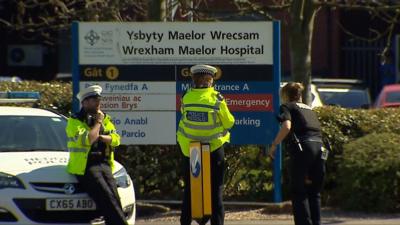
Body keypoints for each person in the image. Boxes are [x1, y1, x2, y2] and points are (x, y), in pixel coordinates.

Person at [177, 64, 235, 225]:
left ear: (194, 79)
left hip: (190, 150)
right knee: (216, 189)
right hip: (213, 149)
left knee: (189, 189)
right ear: (210, 80)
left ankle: (185, 222)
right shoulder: (216, 98)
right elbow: (229, 122)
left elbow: (184, 114)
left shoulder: (186, 96)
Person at [66, 85, 127, 225]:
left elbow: (116, 139)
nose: (98, 102)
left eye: (99, 98)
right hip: (86, 166)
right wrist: (98, 123)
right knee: (107, 199)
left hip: (104, 164)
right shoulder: (74, 121)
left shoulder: (105, 119)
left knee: (115, 199)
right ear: (85, 103)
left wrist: (104, 137)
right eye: (94, 99)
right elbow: (88, 140)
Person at [269, 82, 326, 225]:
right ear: (299, 95)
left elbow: (287, 126)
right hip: (320, 148)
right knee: (314, 192)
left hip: (302, 148)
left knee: (299, 191)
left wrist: (275, 144)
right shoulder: (309, 109)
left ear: (286, 95)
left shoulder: (287, 106)